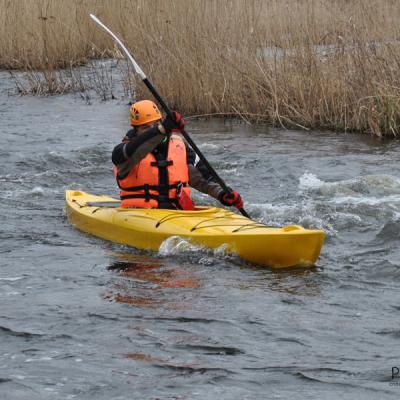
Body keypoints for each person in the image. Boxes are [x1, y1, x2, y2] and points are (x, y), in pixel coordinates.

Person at [112, 100, 244, 210]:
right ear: (135, 131)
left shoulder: (179, 146)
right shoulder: (124, 152)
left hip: (177, 213)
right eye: (146, 128)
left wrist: (223, 193)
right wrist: (161, 130)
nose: (152, 129)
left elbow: (204, 178)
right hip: (138, 213)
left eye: (156, 124)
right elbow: (132, 150)